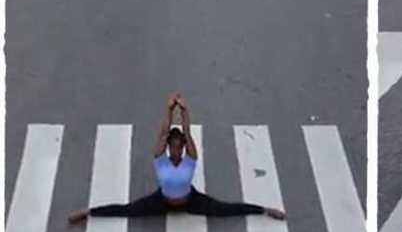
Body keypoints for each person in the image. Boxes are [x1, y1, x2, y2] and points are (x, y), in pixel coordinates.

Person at [67, 93, 286, 224]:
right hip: (163, 201)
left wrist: (185, 111)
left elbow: (188, 132)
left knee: (225, 209)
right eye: (172, 146)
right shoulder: (160, 159)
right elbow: (163, 133)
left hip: (190, 200)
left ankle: (264, 210)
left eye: (178, 146)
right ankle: (89, 212)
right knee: (127, 210)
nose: (175, 150)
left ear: (182, 147)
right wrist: (169, 110)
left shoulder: (189, 159)